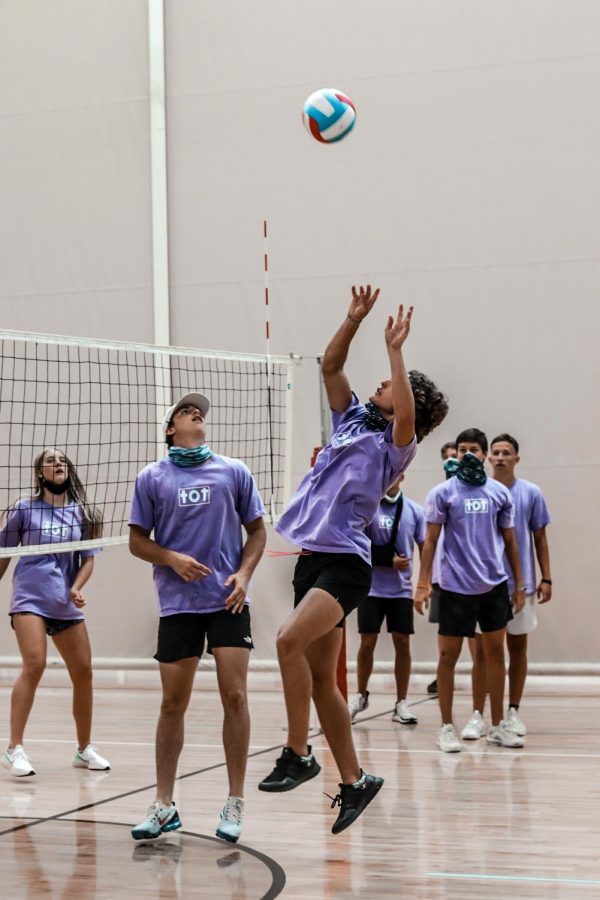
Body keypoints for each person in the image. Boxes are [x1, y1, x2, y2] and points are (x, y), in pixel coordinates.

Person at [258, 285, 448, 833]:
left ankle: (298, 752)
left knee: (287, 641)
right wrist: (353, 319)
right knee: (323, 681)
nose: (383, 384)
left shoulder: (397, 441)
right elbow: (332, 365)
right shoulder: (351, 422)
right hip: (312, 559)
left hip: (347, 562)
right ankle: (354, 779)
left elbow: (407, 407)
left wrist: (396, 351)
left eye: (392, 385)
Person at [128, 392, 266, 845]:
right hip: (178, 603)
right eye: (186, 411)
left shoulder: (233, 470)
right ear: (170, 429)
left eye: (199, 412)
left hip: (226, 599)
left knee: (235, 695)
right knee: (172, 703)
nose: (196, 414)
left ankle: (235, 801)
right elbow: (137, 542)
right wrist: (171, 558)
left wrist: (244, 575)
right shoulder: (151, 477)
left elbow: (258, 531)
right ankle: (164, 804)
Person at [414, 428, 526, 753]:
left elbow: (510, 541)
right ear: (456, 454)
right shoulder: (442, 493)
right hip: (453, 586)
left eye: (474, 449)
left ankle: (497, 725)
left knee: (493, 655)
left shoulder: (500, 494)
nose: (468, 455)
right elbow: (431, 540)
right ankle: (446, 727)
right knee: (448, 656)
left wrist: (519, 585)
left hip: (493, 584)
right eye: (462, 450)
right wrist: (422, 583)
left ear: (485, 453)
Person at [0, 448, 108, 777]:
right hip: (31, 598)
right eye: (50, 461)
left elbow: (87, 558)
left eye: (62, 460)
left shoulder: (82, 513)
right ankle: (14, 748)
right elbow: (4, 552)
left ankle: (83, 749)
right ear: (40, 474)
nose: (57, 464)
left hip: (64, 601)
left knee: (84, 672)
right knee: (35, 664)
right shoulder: (23, 508)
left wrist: (77, 587)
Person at [488, 433, 552, 735]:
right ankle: (488, 714)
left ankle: (513, 710)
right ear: (489, 458)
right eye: (496, 452)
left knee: (517, 646)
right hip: (485, 584)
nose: (500, 457)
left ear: (516, 459)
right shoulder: (479, 492)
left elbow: (540, 537)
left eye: (506, 453)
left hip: (521, 585)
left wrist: (546, 578)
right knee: (488, 651)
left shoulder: (531, 493)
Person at [348, 474, 425, 724]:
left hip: (401, 590)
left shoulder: (414, 510)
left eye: (395, 475)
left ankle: (401, 702)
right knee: (367, 642)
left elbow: (427, 546)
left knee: (402, 642)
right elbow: (357, 544)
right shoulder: (369, 508)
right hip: (370, 590)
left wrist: (426, 582)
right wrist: (385, 560)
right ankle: (360, 695)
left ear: (402, 476)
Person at [427, 441, 457, 695]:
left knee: (476, 633)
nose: (451, 461)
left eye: (454, 456)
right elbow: (430, 539)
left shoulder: (478, 492)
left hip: (469, 575)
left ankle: (483, 674)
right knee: (445, 631)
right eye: (446, 458)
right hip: (442, 575)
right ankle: (443, 676)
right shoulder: (439, 494)